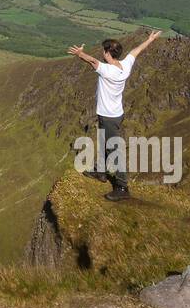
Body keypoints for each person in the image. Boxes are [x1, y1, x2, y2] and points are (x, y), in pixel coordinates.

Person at [67, 31, 161, 201]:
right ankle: (101, 172)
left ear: (107, 53)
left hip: (108, 116)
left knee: (114, 149)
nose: (102, 53)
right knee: (104, 143)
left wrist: (79, 53)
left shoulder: (106, 70)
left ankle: (123, 187)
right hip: (115, 114)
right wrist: (149, 40)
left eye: (104, 50)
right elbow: (135, 51)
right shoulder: (125, 66)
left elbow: (92, 61)